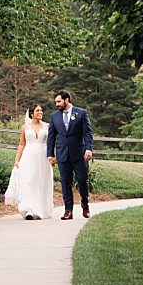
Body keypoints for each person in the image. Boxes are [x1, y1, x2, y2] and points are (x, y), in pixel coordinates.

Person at [46, 89, 94, 220]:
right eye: (55, 102)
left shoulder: (81, 113)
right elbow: (51, 137)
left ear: (66, 100)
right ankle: (68, 210)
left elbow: (87, 133)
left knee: (83, 181)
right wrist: (50, 155)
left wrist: (89, 149)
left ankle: (85, 204)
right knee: (65, 183)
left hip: (80, 154)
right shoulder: (54, 116)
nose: (56, 104)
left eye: (59, 101)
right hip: (62, 155)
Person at [4, 103, 55, 220]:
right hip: (28, 157)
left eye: (41, 110)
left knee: (41, 182)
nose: (40, 112)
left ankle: (41, 209)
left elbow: (52, 143)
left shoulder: (47, 126)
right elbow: (22, 144)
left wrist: (53, 156)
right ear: (32, 114)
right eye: (38, 111)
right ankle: (29, 210)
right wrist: (17, 160)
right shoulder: (25, 128)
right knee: (29, 182)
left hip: (43, 157)